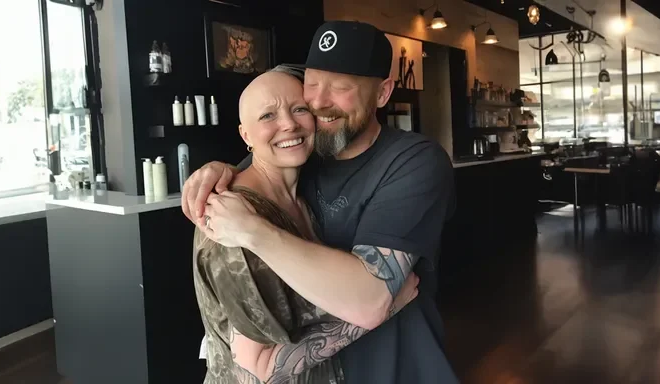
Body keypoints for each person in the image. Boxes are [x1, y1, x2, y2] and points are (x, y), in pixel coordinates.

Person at [188, 20, 459, 383]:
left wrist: (255, 231)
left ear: (382, 94)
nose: (318, 102)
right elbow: (259, 164)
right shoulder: (300, 158)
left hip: (397, 366)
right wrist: (216, 171)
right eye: (311, 85)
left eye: (341, 87)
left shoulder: (414, 161)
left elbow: (371, 298)